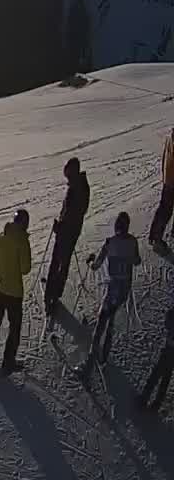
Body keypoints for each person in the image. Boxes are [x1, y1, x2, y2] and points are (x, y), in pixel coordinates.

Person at [84, 212, 142, 368]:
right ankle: (104, 356)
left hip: (113, 288)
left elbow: (96, 266)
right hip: (124, 289)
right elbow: (137, 261)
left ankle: (91, 357)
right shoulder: (132, 242)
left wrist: (90, 261)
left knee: (102, 320)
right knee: (111, 319)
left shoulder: (110, 243)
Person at [0, 209, 33, 374]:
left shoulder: (2, 237)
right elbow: (25, 269)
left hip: (0, 287)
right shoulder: (23, 242)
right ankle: (8, 361)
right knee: (14, 326)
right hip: (14, 292)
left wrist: (3, 260)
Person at [43, 157, 91, 312]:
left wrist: (60, 227)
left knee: (58, 262)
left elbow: (73, 213)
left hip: (68, 232)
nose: (67, 178)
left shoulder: (77, 188)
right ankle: (54, 292)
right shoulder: (80, 185)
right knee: (61, 262)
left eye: (68, 175)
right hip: (71, 230)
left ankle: (52, 295)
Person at [138, 302, 174, 412]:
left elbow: (168, 319)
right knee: (165, 377)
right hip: (170, 347)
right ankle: (156, 404)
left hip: (170, 349)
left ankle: (144, 399)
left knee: (157, 374)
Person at [150, 126, 173, 246]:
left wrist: (164, 176)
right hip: (172, 181)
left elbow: (164, 157)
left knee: (163, 208)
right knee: (165, 210)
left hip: (169, 179)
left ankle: (154, 236)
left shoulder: (170, 137)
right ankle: (156, 238)